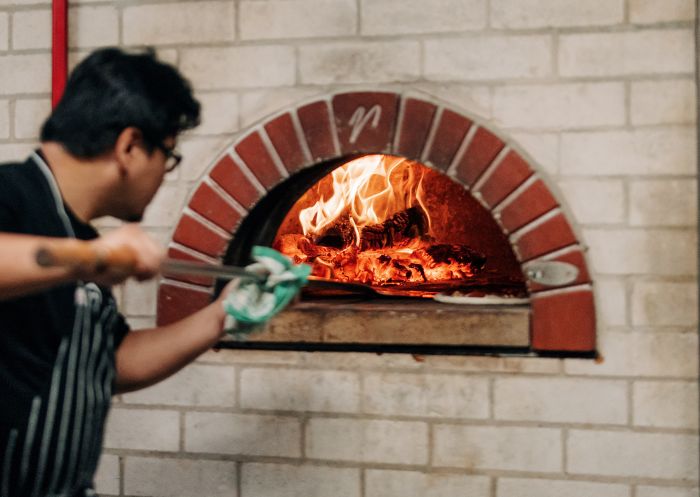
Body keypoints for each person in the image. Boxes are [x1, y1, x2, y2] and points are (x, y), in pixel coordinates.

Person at [0, 47, 234, 497]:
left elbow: (109, 360)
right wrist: (94, 259)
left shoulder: (80, 235)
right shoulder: (12, 194)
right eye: (167, 156)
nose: (165, 173)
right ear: (129, 146)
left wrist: (223, 316)